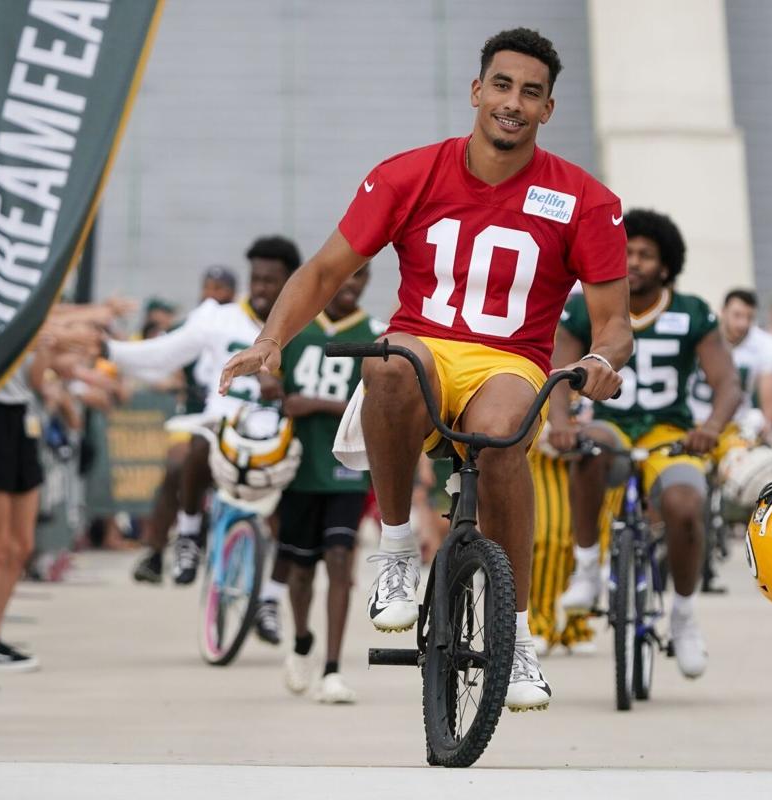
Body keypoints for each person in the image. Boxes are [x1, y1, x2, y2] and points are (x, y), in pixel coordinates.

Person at [220, 28, 630, 711]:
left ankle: (519, 632)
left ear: (548, 109)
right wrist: (272, 340)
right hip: (426, 347)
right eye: (502, 85)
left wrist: (598, 358)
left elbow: (616, 321)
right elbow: (325, 269)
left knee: (500, 440)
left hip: (511, 362)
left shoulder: (583, 199)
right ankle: (399, 546)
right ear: (476, 91)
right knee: (388, 364)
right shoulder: (411, 173)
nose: (513, 103)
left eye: (531, 93)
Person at [549, 209, 741, 678]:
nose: (633, 260)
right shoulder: (588, 304)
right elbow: (556, 371)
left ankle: (683, 614)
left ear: (667, 264)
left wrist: (711, 428)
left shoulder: (691, 311)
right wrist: (560, 422)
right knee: (589, 448)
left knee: (684, 505)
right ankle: (588, 568)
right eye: (627, 250)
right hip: (611, 423)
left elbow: (728, 383)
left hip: (667, 431)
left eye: (646, 254)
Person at [106, 236, 301, 590]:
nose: (260, 289)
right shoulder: (217, 318)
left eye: (270, 282)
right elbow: (165, 354)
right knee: (189, 453)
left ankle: (271, 598)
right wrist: (110, 351)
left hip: (274, 433)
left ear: (290, 283)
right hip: (220, 423)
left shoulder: (303, 323)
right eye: (255, 279)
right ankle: (187, 537)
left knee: (302, 502)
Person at [275, 263, 384, 703]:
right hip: (299, 469)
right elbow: (273, 391)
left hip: (346, 468)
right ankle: (302, 641)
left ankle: (333, 669)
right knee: (301, 571)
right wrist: (277, 394)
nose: (349, 284)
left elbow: (376, 406)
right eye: (344, 276)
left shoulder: (375, 335)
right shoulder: (296, 329)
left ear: (366, 283)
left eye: (358, 278)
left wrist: (315, 404)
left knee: (341, 559)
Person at [689, 288, 772, 437]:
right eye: (737, 315)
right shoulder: (700, 335)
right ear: (723, 311)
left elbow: (770, 407)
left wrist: (766, 430)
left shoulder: (767, 345)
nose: (743, 323)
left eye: (749, 317)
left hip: (736, 428)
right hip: (693, 423)